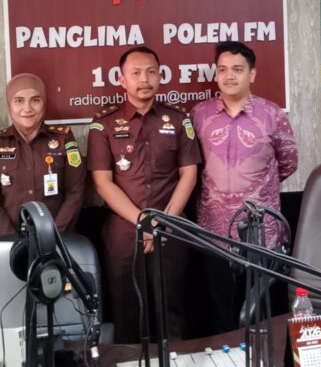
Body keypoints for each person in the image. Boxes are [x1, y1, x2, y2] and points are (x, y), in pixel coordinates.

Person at [87, 46, 201, 343]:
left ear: (160, 76)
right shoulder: (103, 124)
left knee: (173, 306)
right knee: (126, 310)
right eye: (135, 73)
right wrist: (143, 222)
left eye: (151, 71)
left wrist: (162, 221)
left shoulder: (178, 120)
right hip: (124, 231)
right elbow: (102, 182)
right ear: (122, 80)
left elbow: (189, 174)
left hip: (172, 226)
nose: (144, 78)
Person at [191, 41, 298, 332]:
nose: (229, 76)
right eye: (222, 69)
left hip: (260, 230)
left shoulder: (272, 115)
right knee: (219, 309)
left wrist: (257, 189)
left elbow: (288, 162)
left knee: (261, 313)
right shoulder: (199, 115)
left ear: (251, 74)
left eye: (237, 69)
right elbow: (192, 165)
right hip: (213, 230)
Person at [0, 73, 85, 237]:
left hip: (60, 239)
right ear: (9, 105)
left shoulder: (64, 138)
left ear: (44, 103)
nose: (27, 108)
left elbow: (75, 192)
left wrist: (54, 236)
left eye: (35, 100)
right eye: (19, 101)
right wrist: (11, 239)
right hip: (10, 241)